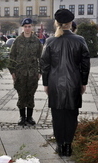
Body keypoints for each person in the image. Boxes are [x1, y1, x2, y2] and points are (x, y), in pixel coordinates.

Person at [40, 9, 90, 157]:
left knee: (57, 116)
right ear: (70, 23)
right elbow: (85, 64)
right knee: (71, 115)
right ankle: (68, 145)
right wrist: (83, 82)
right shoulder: (79, 40)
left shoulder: (50, 41)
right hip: (74, 82)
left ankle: (60, 145)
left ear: (57, 23)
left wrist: (46, 83)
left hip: (55, 83)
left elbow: (44, 64)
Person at [8, 18, 43, 126]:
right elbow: (12, 56)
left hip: (32, 73)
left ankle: (30, 117)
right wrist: (12, 71)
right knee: (21, 94)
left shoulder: (36, 40)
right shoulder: (17, 40)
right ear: (23, 27)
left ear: (31, 27)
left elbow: (41, 57)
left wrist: (40, 71)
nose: (27, 29)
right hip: (20, 73)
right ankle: (22, 117)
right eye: (25, 27)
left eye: (29, 26)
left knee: (31, 94)